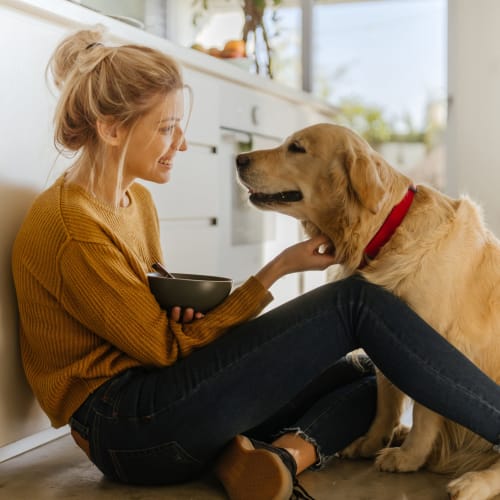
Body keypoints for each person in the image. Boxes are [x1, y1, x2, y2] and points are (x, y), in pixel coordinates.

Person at [11, 26, 500, 500]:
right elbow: (163, 349)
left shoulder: (132, 202)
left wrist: (182, 317)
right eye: (166, 128)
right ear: (111, 128)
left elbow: (145, 326)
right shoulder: (71, 226)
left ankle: (279, 459)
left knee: (371, 374)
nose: (181, 144)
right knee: (354, 303)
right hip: (128, 431)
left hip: (160, 405)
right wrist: (278, 268)